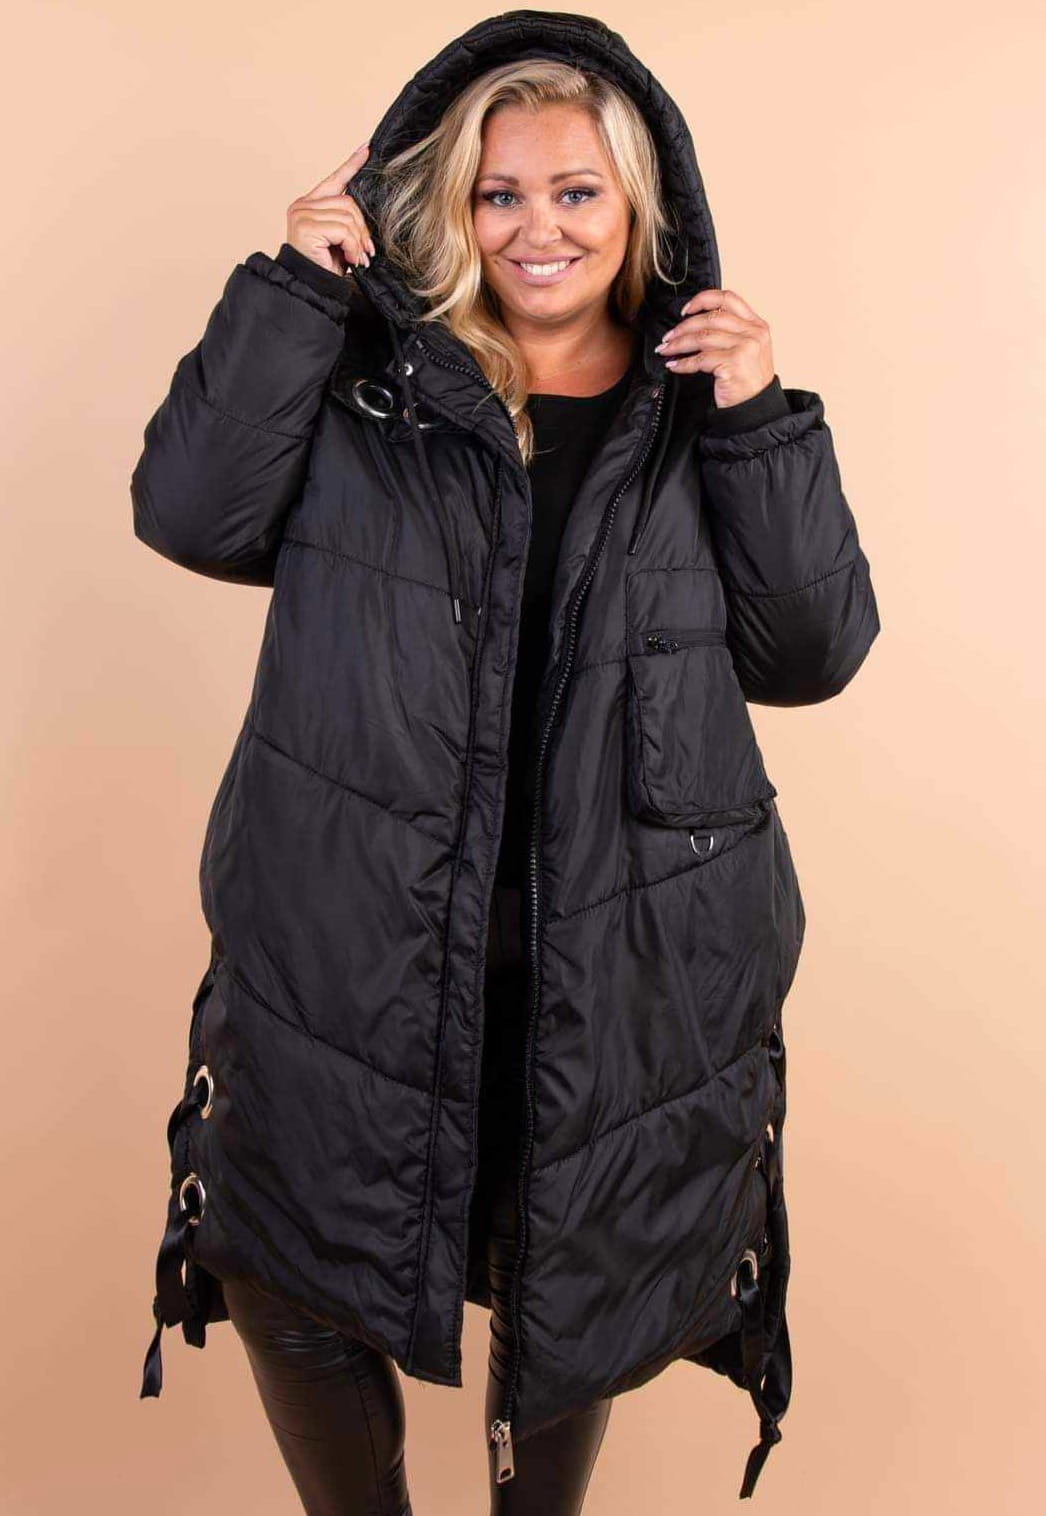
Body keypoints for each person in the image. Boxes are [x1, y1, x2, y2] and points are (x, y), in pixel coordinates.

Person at [134, 11, 880, 1513]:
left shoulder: (699, 412)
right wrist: (295, 290)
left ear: (639, 206)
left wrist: (756, 417)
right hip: (361, 926)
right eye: (500, 193)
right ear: (452, 205)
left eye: (576, 191)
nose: (539, 228)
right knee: (293, 1252)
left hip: (613, 946)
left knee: (573, 1280)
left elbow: (810, 654)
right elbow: (193, 514)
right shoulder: (367, 383)